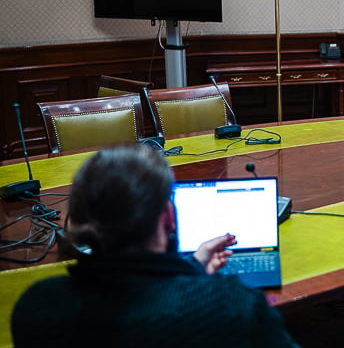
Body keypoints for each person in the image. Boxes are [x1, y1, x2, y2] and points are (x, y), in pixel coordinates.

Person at [11, 144, 299, 347]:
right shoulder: (232, 305)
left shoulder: (37, 306)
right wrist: (195, 278)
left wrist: (194, 268)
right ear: (169, 217)